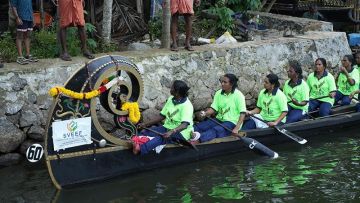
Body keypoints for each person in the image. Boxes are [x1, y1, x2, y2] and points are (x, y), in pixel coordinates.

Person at [133, 80, 194, 155]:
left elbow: (184, 125)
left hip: (181, 132)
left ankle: (140, 149)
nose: (170, 89)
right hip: (167, 127)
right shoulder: (171, 99)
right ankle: (135, 141)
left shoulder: (187, 106)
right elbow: (162, 116)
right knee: (146, 132)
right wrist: (145, 124)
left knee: (161, 138)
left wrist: (171, 132)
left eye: (172, 88)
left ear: (177, 92)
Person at [191, 74, 246, 143]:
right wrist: (205, 113)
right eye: (221, 82)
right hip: (219, 119)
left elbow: (243, 113)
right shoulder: (218, 93)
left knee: (216, 130)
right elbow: (213, 109)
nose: (222, 84)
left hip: (232, 122)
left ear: (231, 84)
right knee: (199, 126)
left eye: (225, 82)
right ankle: (184, 137)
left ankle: (197, 141)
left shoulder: (239, 95)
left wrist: (236, 128)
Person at [10, 0, 38, 65]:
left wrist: (33, 18)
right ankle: (20, 57)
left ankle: (28, 55)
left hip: (29, 17)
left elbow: (30, 6)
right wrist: (17, 17)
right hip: (21, 17)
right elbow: (13, 6)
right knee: (19, 36)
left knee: (28, 36)